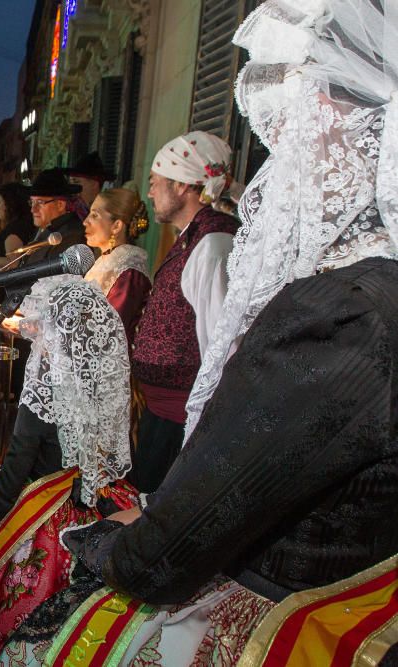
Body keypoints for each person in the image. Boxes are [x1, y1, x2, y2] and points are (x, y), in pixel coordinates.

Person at [0, 1, 398, 663]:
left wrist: (107, 541)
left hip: (270, 604)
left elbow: (167, 554)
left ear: (333, 122)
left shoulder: (344, 311)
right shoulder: (362, 295)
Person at [0, 275, 137, 664]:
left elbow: (10, 482)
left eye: (40, 321)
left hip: (44, 510)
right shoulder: (98, 375)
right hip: (100, 499)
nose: (32, 329)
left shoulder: (44, 388)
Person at [127, 130, 240, 493]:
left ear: (182, 186)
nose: (150, 192)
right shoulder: (194, 237)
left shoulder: (214, 242)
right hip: (162, 411)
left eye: (155, 182)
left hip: (181, 419)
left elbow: (222, 341)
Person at [81, 186, 152, 343]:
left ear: (116, 226)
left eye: (94, 215)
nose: (85, 221)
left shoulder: (128, 272)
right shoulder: (106, 261)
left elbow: (110, 331)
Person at [22, 168, 85, 260]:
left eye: (40, 202)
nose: (33, 209)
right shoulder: (46, 227)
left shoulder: (71, 235)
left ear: (60, 205)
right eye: (32, 202)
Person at [62, 151, 115, 219]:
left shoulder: (108, 214)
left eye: (76, 182)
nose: (72, 188)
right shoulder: (68, 212)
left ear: (94, 184)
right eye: (70, 183)